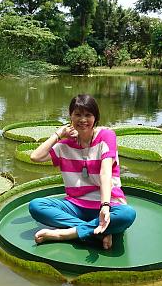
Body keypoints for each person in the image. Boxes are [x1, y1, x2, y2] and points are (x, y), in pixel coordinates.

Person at [29, 94, 136, 250]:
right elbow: (35, 157)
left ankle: (64, 234)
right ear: (71, 117)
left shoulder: (106, 136)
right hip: (76, 206)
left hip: (108, 204)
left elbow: (105, 173)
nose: (83, 119)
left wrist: (104, 206)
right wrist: (58, 134)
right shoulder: (65, 145)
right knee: (36, 206)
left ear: (96, 117)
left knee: (127, 214)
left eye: (88, 115)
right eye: (77, 114)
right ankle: (98, 233)